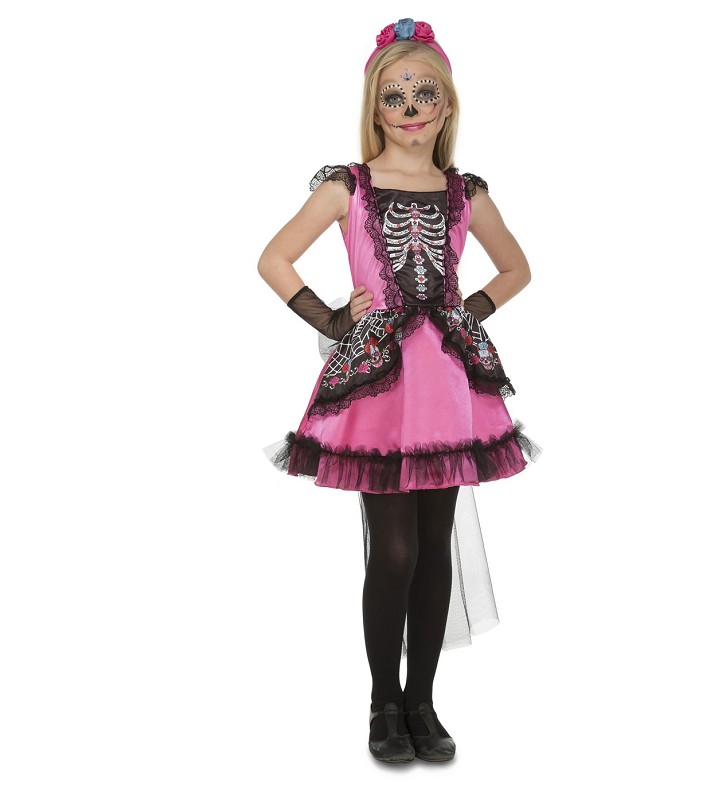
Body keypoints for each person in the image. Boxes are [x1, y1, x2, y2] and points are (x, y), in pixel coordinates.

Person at [257, 17, 543, 764]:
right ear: (375, 107)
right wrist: (330, 318)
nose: (411, 108)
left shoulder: (463, 193)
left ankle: (423, 699)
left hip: (445, 384)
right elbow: (274, 258)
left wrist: (463, 312)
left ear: (447, 103)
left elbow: (516, 268)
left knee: (433, 545)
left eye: (425, 94)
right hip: (381, 384)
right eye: (395, 96)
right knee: (394, 549)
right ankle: (383, 700)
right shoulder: (347, 188)